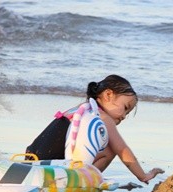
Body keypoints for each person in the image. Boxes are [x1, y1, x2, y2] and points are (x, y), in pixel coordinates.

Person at [26, 74, 164, 184]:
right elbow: (122, 150)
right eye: (125, 108)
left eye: (127, 114)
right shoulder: (103, 117)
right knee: (110, 149)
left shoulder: (80, 110)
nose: (123, 116)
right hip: (51, 169)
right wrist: (143, 175)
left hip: (31, 158)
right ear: (108, 95)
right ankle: (86, 184)